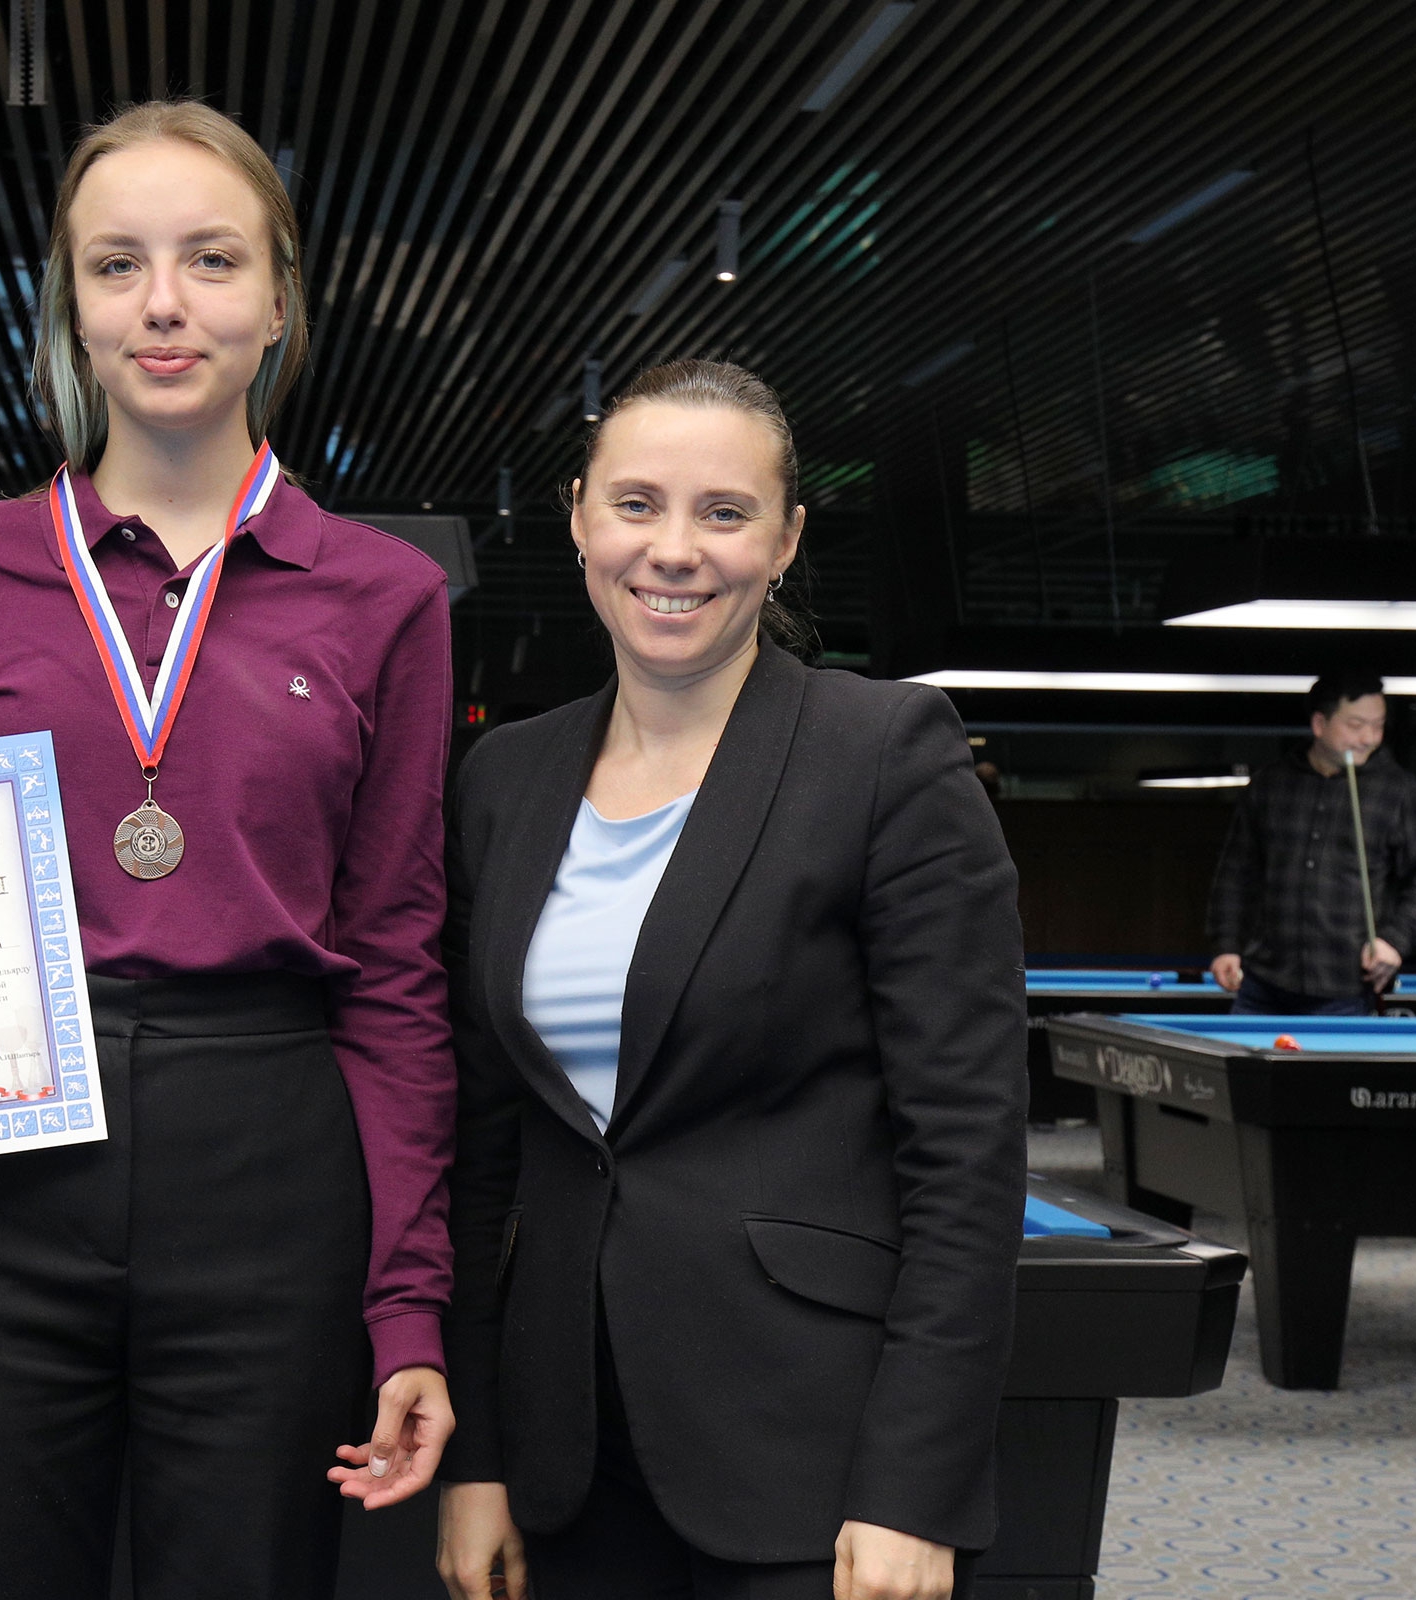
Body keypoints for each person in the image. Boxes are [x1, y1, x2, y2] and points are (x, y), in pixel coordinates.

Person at [0, 101, 457, 1599]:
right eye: (118, 265)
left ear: (280, 303)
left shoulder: (388, 596)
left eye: (212, 260)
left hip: (269, 1156)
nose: (164, 302)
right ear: (72, 309)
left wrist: (410, 1304)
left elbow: (397, 968)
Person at [434, 362, 1026, 1600]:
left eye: (724, 512)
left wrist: (912, 1488)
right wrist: (477, 1460)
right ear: (580, 517)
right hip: (567, 1447)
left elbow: (966, 1155)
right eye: (637, 504)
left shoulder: (885, 753)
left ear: (786, 539)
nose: (674, 550)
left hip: (809, 1448)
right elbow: (485, 1150)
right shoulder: (503, 779)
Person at [1206, 673, 1416, 1015]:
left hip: (1347, 990)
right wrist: (1225, 944)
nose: (1369, 738)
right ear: (1320, 724)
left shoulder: (1398, 791)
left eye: (1378, 726)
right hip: (1262, 985)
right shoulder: (1270, 784)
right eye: (1356, 725)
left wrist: (1394, 941)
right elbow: (1236, 873)